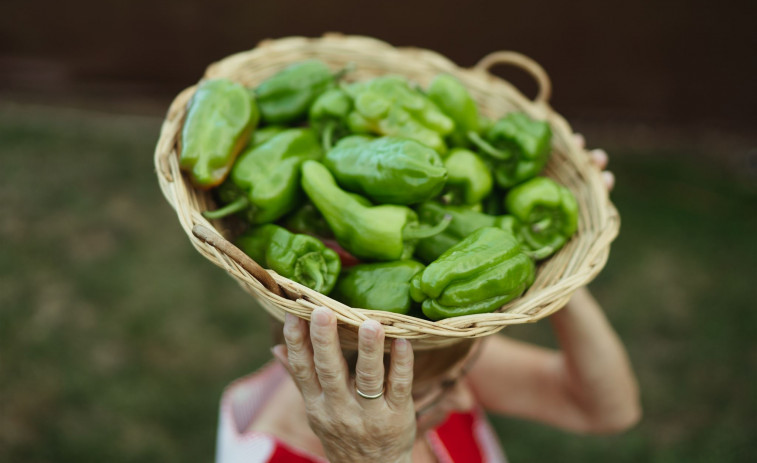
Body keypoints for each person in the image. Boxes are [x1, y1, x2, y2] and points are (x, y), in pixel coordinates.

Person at [215, 139, 640, 463]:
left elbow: (606, 409)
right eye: (441, 389)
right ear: (364, 397)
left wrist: (561, 268)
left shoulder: (419, 356)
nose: (461, 401)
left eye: (456, 378)